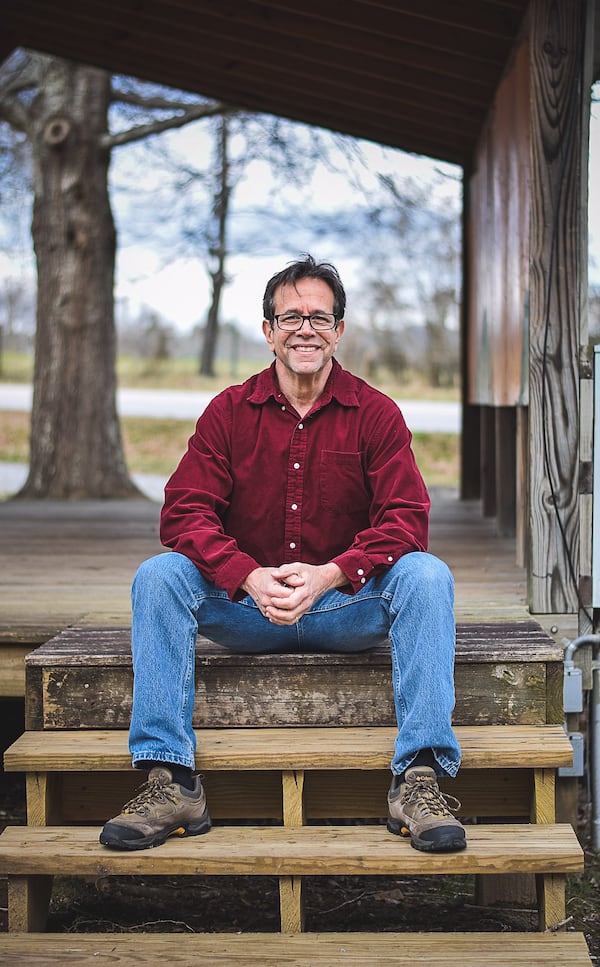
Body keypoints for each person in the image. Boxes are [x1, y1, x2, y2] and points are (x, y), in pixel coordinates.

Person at [100, 254, 466, 855]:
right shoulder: (228, 412)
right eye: (290, 316)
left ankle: (417, 778)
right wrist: (245, 576)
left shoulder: (375, 413)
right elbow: (183, 512)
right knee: (159, 575)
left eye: (320, 317)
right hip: (247, 610)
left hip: (345, 608)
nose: (305, 329)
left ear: (339, 331)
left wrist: (332, 574)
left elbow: (407, 518)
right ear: (268, 330)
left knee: (427, 575)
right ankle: (171, 781)